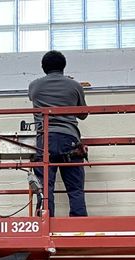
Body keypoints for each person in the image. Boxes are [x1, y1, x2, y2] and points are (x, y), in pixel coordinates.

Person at [28, 50, 88, 217]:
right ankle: (78, 225)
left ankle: (45, 224)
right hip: (69, 139)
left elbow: (33, 100)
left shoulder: (34, 86)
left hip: (44, 139)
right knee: (75, 188)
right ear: (64, 66)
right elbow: (83, 114)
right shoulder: (74, 86)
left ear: (43, 67)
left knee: (45, 188)